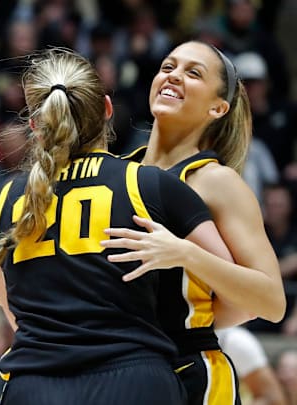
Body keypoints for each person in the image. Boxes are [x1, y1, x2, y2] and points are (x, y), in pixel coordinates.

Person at [0, 48, 234, 404]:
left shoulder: (9, 199)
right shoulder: (151, 185)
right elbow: (236, 292)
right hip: (133, 381)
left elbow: (19, 313)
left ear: (35, 125)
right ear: (107, 110)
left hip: (35, 387)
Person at [107, 41, 286, 405]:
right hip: (123, 369)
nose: (173, 76)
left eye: (193, 73)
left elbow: (268, 300)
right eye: (168, 66)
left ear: (218, 107)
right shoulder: (118, 171)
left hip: (188, 373)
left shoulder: (216, 182)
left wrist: (186, 255)